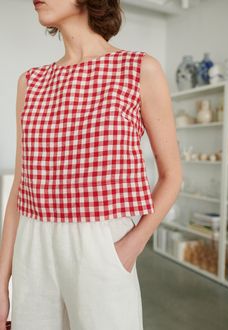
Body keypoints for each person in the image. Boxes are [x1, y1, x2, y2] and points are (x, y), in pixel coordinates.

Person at [0, 0, 182, 329]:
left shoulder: (139, 69)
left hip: (102, 245)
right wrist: (1, 283)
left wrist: (130, 246)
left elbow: (172, 176)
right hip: (33, 244)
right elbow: (20, 186)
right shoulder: (31, 82)